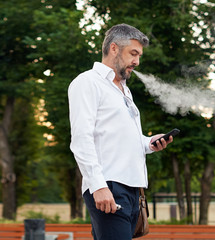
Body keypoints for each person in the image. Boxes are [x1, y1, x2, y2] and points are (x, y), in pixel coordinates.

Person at [68, 24, 173, 240]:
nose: (137, 62)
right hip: (109, 186)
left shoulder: (124, 89)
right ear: (114, 48)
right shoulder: (87, 82)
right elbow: (81, 139)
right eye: (133, 54)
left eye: (139, 55)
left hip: (134, 190)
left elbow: (121, 138)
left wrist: (148, 143)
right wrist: (98, 186)